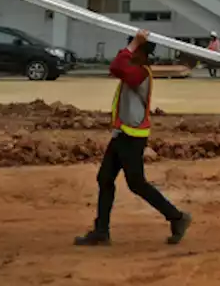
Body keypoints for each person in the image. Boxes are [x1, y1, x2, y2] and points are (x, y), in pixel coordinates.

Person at [75, 30, 191, 247]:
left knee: (136, 183)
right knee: (105, 178)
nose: (128, 52)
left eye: (132, 48)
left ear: (141, 52)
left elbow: (116, 66)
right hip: (123, 133)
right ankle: (101, 231)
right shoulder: (136, 70)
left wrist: (134, 44)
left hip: (132, 136)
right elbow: (119, 66)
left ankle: (176, 217)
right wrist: (134, 45)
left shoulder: (141, 73)